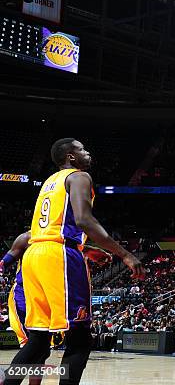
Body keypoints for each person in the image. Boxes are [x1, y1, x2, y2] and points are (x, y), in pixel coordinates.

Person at [3, 138, 144, 385]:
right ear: (70, 156)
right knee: (79, 338)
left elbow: (54, 227)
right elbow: (83, 220)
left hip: (34, 257)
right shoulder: (79, 176)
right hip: (59, 257)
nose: (87, 153)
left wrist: (85, 248)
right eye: (82, 149)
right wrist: (125, 254)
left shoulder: (49, 182)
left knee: (38, 341)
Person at [0, 231, 111, 385]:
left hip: (48, 295)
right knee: (36, 346)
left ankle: (11, 379)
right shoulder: (28, 237)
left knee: (42, 349)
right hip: (23, 295)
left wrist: (88, 250)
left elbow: (71, 247)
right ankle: (7, 379)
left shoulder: (63, 240)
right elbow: (6, 260)